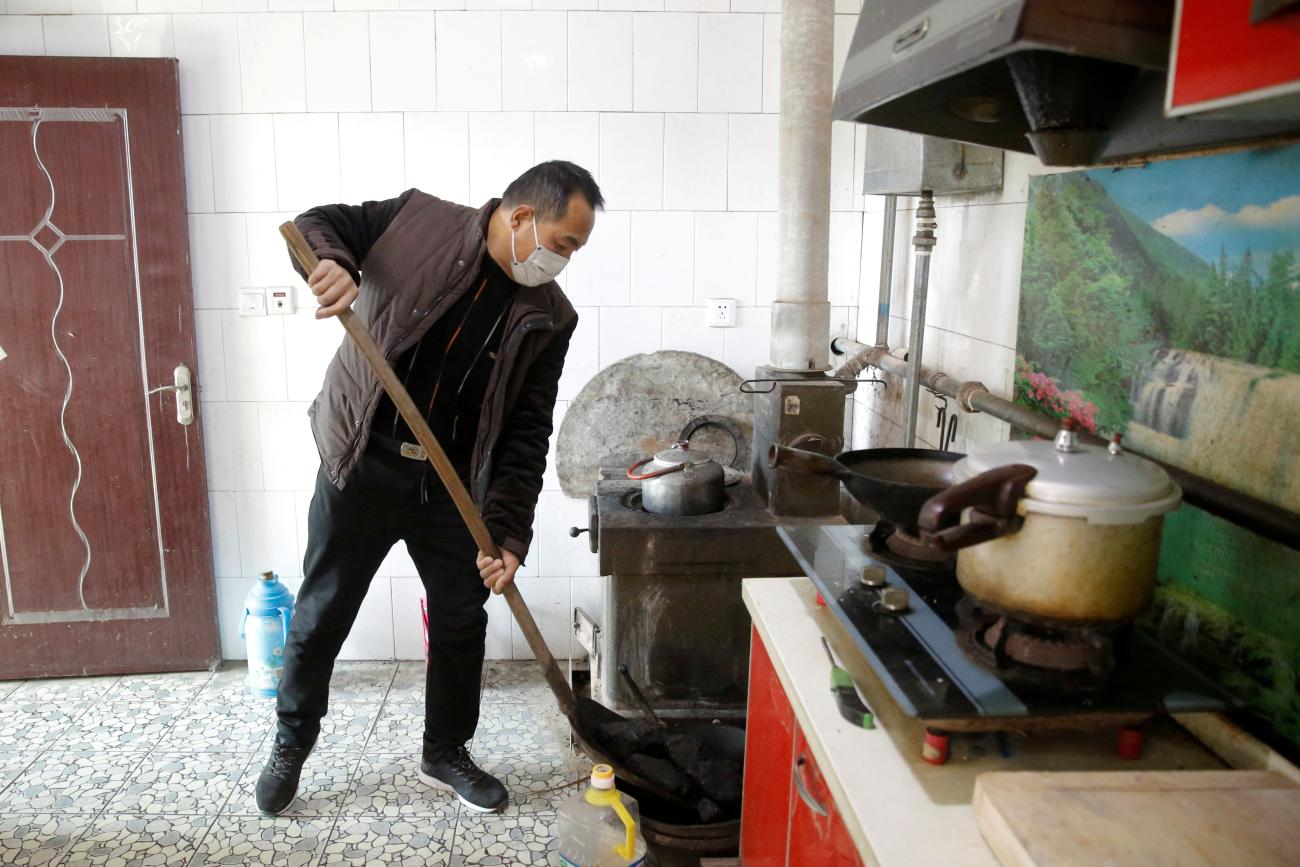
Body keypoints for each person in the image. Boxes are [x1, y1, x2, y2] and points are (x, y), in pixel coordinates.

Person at [254, 161, 602, 816]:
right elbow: (317, 226)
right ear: (523, 217)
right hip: (364, 459)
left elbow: (528, 433)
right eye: (564, 242)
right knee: (322, 609)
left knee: (460, 617)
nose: (565, 260)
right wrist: (332, 264)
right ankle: (292, 739)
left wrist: (508, 533)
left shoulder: (551, 316)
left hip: (453, 482)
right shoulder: (420, 220)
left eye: (576, 249)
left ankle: (446, 750)